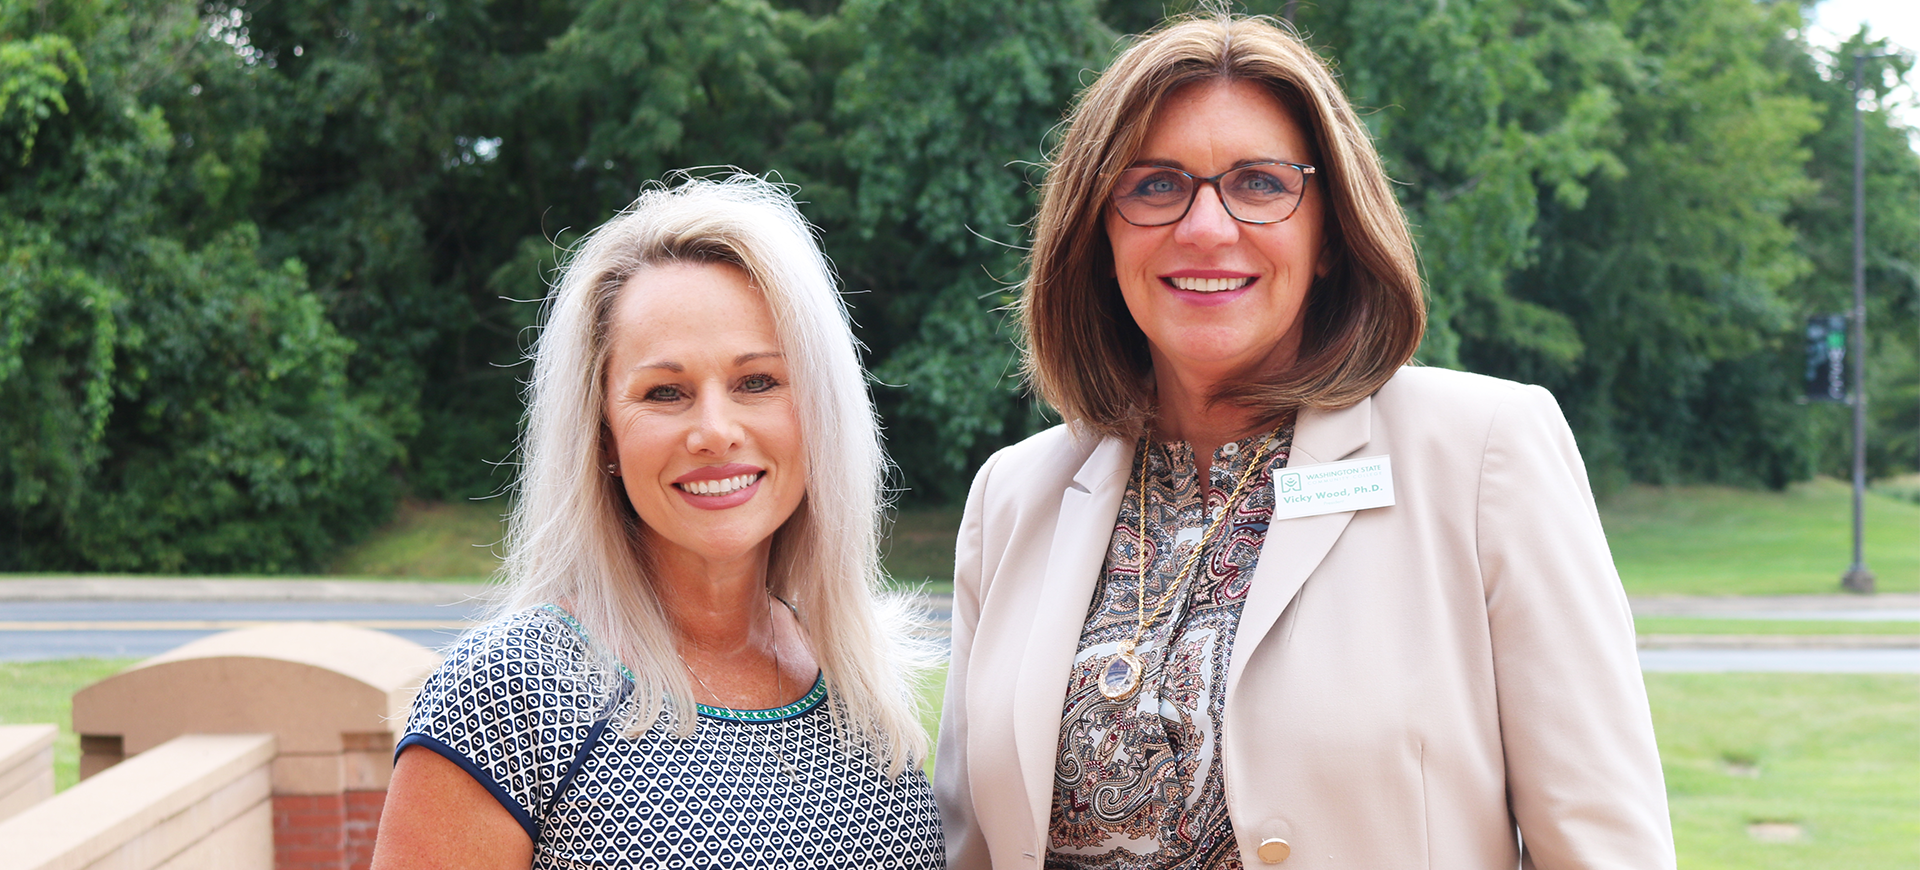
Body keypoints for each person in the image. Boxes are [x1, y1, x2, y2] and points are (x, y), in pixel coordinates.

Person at [935, 13, 1673, 870]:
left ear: (1328, 234)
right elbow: (972, 847)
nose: (1206, 227)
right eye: (1155, 185)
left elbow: (1604, 848)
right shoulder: (1013, 497)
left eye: (1258, 183)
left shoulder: (1483, 455)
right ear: (1101, 234)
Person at [372, 174, 945, 868]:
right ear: (604, 435)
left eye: (757, 382)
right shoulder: (509, 695)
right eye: (664, 392)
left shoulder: (861, 680)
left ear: (820, 409)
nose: (714, 430)